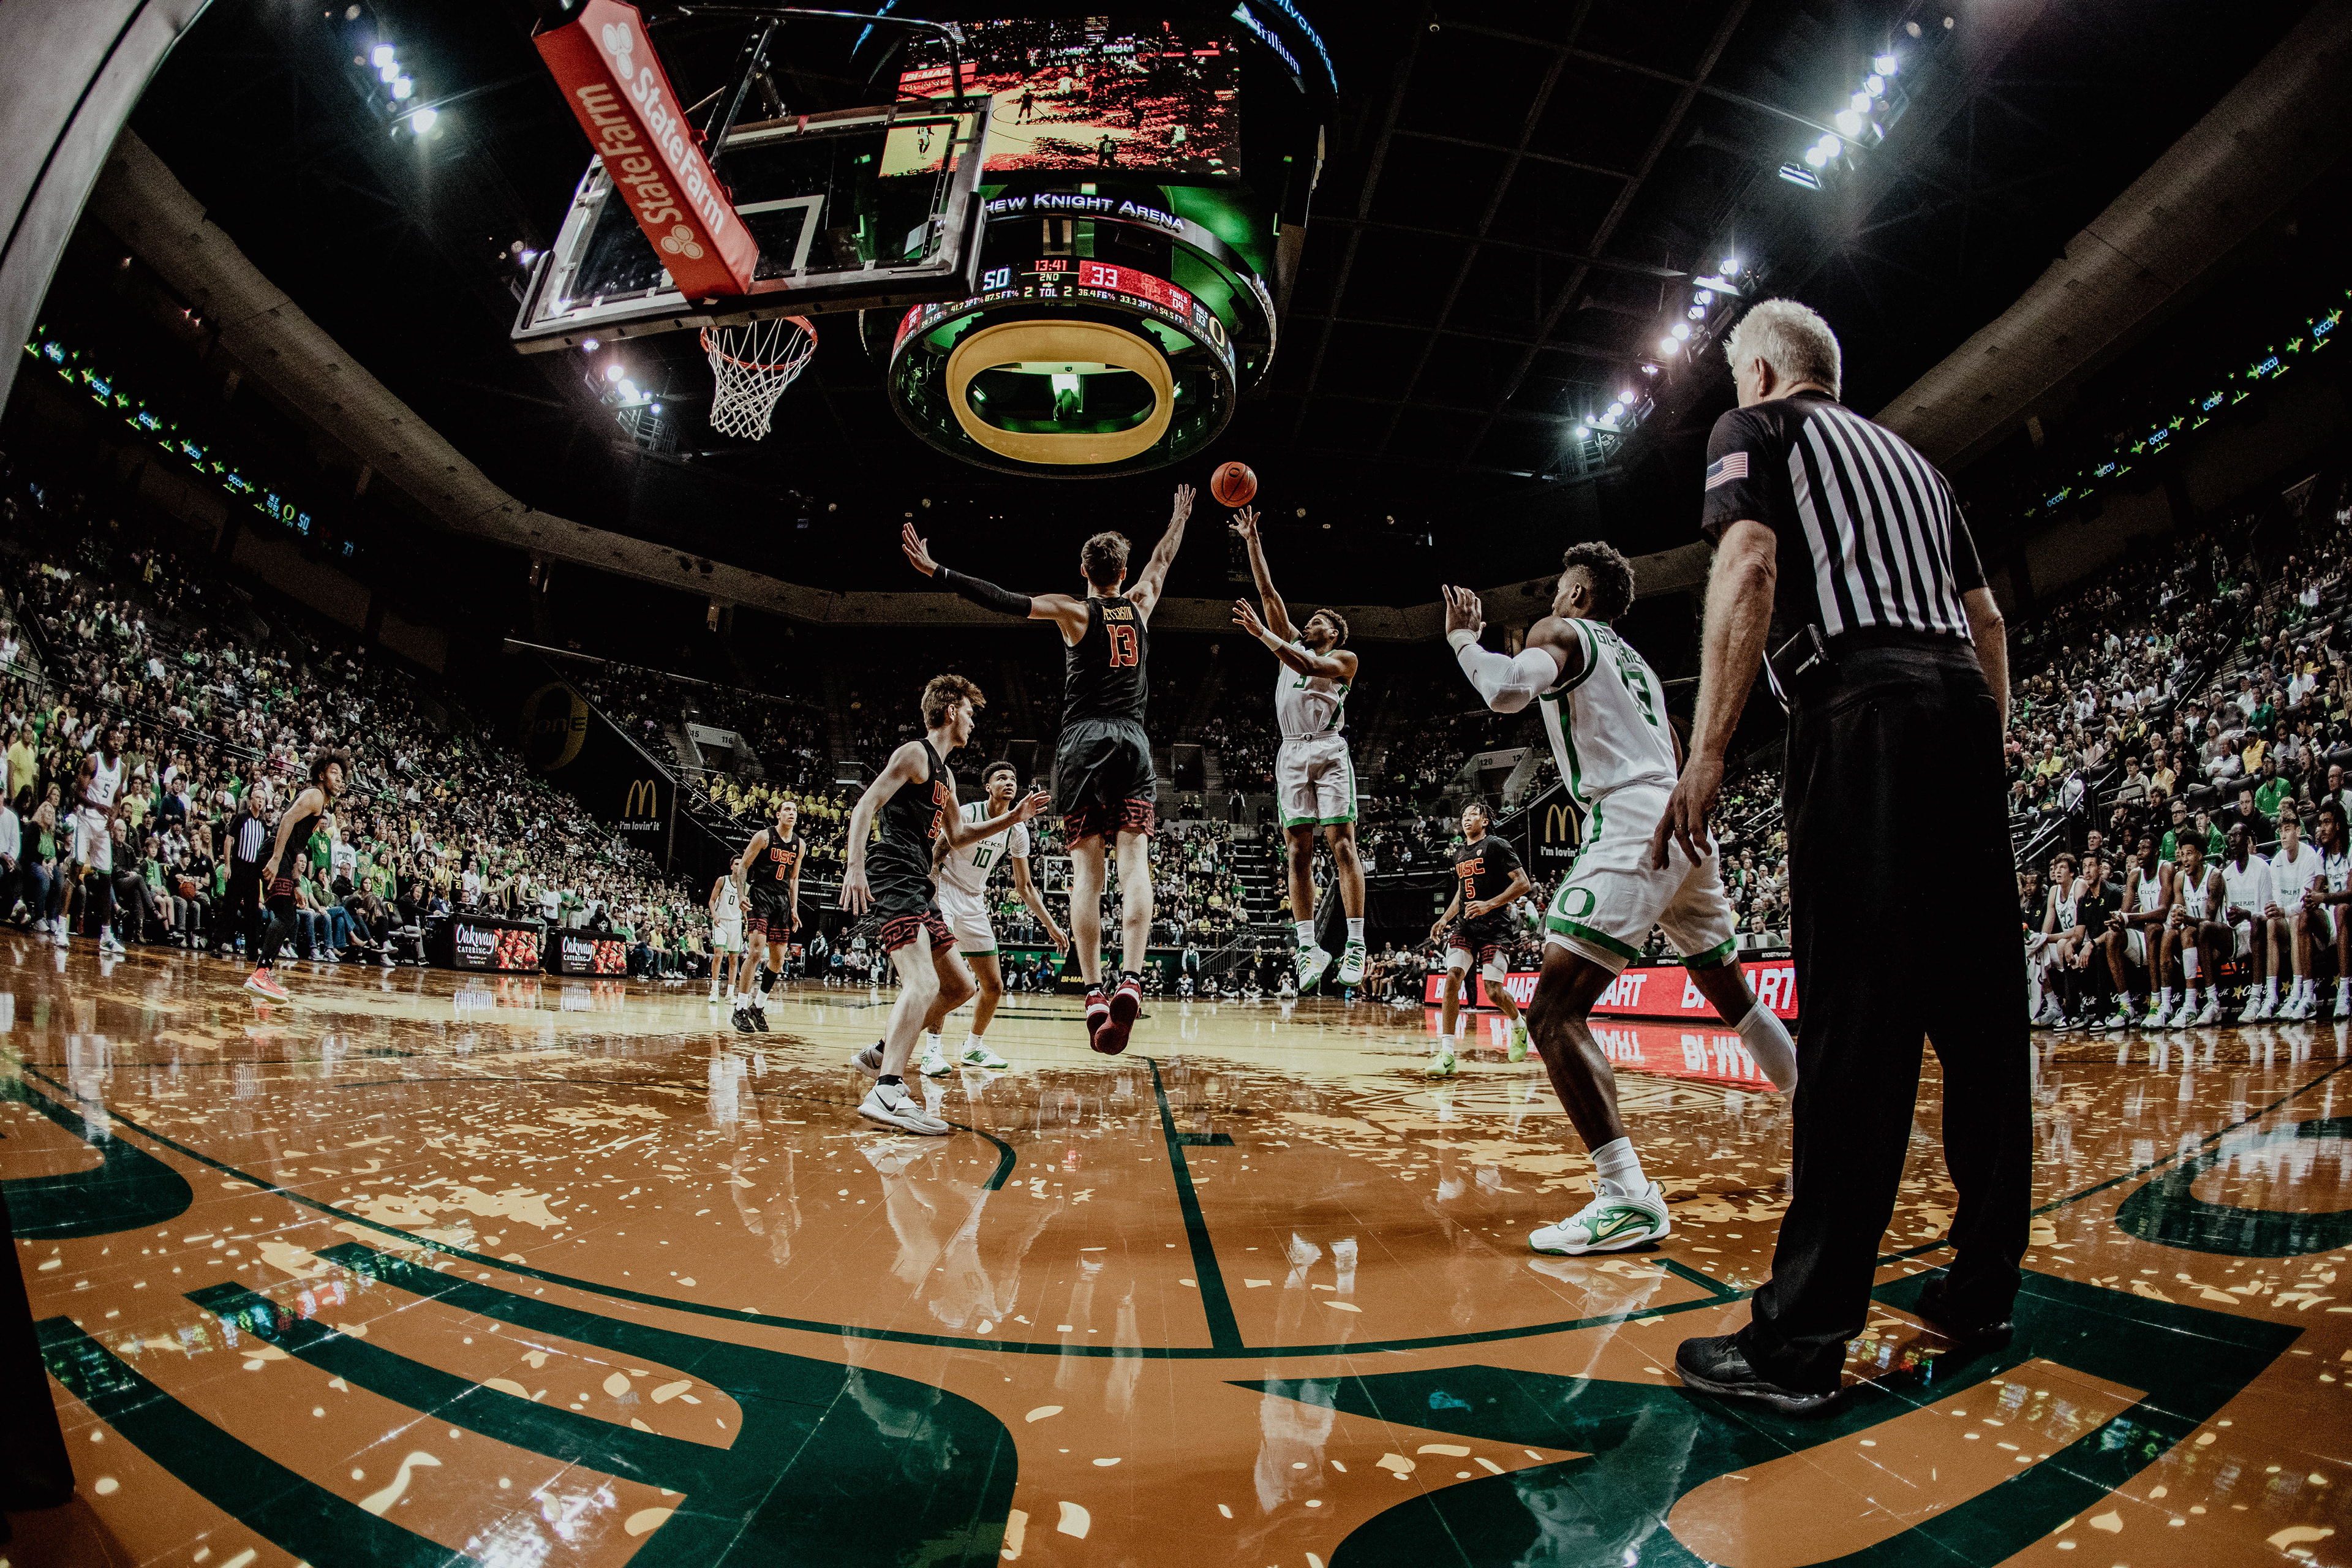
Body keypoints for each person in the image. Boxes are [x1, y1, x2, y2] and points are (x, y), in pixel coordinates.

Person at [1658, 298, 2025, 1412]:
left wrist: (1710, 747)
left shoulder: (1759, 433)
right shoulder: (1920, 468)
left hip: (1860, 708)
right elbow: (1991, 623)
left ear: (1762, 371)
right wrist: (1984, 754)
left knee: (1859, 1026)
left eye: (1733, 377)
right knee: (1980, 1018)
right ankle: (1983, 1281)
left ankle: (1801, 1342)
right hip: (1962, 707)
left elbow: (1752, 568)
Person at [1443, 548, 1798, 1252]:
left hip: (1633, 820)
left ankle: (1627, 1194)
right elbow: (1669, 745)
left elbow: (1506, 689)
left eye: (1556, 585)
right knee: (1731, 991)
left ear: (1577, 590)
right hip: (1682, 817)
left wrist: (1461, 637)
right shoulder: (1637, 666)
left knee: (1552, 1010)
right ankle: (1814, 1102)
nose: (1551, 596)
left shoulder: (1564, 632)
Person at [901, 485, 1193, 1054]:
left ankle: (1094, 990)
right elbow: (1163, 559)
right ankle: (1132, 976)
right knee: (1135, 863)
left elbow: (1002, 598)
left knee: (1088, 873)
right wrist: (1179, 517)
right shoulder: (1142, 600)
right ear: (1124, 570)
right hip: (1133, 738)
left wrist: (938, 570)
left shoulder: (1073, 610)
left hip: (1084, 742)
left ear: (1084, 569)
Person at [839, 675, 1047, 1134]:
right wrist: (855, 866)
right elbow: (865, 806)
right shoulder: (915, 754)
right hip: (894, 869)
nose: (974, 721)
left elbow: (958, 836)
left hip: (920, 881)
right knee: (922, 980)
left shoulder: (948, 775)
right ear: (952, 710)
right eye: (971, 712)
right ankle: (888, 1090)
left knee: (959, 987)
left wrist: (1013, 818)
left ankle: (881, 1051)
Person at [1229, 506, 1366, 992]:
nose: (1306, 625)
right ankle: (1308, 948)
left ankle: (1355, 944)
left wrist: (1263, 635)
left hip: (1328, 750)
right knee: (1296, 851)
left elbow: (1305, 666)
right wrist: (1252, 540)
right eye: (1304, 623)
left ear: (1334, 633)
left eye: (1316, 623)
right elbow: (1268, 592)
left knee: (1342, 843)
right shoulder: (1289, 643)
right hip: (1290, 752)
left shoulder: (1344, 659)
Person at [918, 760, 1066, 1074]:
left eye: (1013, 778)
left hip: (974, 900)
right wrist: (930, 893)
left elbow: (1024, 886)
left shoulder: (1018, 829)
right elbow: (938, 852)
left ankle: (973, 1048)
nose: (1009, 782)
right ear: (989, 787)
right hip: (945, 891)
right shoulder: (969, 813)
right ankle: (932, 1051)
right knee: (948, 980)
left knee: (994, 985)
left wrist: (1051, 925)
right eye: (1002, 777)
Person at [1426, 802, 1529, 1076]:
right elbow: (1462, 893)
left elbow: (1523, 883)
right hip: (1466, 926)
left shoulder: (1497, 845)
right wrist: (1445, 919)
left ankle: (1519, 1025)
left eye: (1473, 814)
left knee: (1493, 991)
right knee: (1453, 977)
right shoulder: (1459, 853)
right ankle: (1447, 1054)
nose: (1466, 819)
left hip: (1496, 927)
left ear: (1485, 821)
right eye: (1463, 815)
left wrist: (1489, 904)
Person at [244, 753, 346, 1003]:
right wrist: (277, 859)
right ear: (322, 774)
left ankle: (261, 973)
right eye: (334, 773)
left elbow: (297, 844)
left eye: (342, 776)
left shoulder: (321, 802)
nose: (339, 779)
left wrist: (297, 883)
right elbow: (287, 820)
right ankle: (261, 974)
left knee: (287, 916)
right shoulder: (315, 795)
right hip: (276, 853)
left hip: (284, 857)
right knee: (286, 916)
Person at [733, 799, 805, 1033]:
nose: (791, 813)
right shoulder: (764, 837)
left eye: (794, 810)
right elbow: (743, 866)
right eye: (787, 809)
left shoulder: (799, 845)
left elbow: (794, 879)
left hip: (782, 901)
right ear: (778, 815)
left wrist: (794, 908)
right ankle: (740, 1009)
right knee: (755, 951)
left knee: (778, 959)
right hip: (761, 896)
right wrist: (742, 894)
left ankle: (758, 1006)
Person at [2098, 834, 2175, 1028]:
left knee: (2152, 927)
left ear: (2157, 852)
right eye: (2139, 849)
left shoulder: (2166, 869)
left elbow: (2164, 912)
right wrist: (2118, 921)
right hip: (2148, 936)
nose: (2140, 853)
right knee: (2112, 936)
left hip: (2171, 933)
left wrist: (2129, 918)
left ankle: (2157, 1003)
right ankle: (2126, 1007)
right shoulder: (2134, 875)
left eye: (2145, 849)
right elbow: (2124, 913)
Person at [71, 721, 129, 955]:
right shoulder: (93, 761)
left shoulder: (122, 769)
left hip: (103, 826)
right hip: (86, 819)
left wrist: (113, 815)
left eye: (120, 740)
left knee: (106, 880)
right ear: (105, 742)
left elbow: (117, 798)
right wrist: (97, 806)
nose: (118, 743)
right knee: (74, 870)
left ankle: (106, 936)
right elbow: (77, 792)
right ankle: (58, 926)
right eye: (114, 740)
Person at [2166, 836, 2228, 1028]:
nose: (2185, 859)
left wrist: (2184, 920)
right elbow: (2178, 909)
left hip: (2219, 938)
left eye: (2190, 854)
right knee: (2173, 933)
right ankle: (2169, 1004)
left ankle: (2208, 1001)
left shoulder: (2214, 876)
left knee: (2198, 930)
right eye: (2182, 855)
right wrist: (2175, 917)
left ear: (2201, 855)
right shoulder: (2179, 878)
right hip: (2194, 939)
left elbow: (2209, 921)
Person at [2301, 797, 2351, 1019]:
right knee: (2305, 917)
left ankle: (2346, 991)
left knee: (2341, 908)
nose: (2321, 828)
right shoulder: (2321, 855)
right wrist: (2311, 899)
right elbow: (2318, 887)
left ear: (2338, 825)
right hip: (2335, 920)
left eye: (2327, 822)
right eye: (2319, 823)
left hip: (2350, 913)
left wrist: (2323, 897)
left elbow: (2351, 893)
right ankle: (2308, 995)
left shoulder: (2351, 849)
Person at [2217, 821, 2272, 1020]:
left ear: (2248, 840)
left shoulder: (2262, 868)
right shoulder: (2225, 874)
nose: (2232, 839)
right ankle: (2210, 1002)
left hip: (2260, 931)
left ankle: (2256, 997)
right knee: (2206, 929)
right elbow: (2227, 915)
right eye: (2230, 836)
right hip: (2237, 935)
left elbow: (2267, 914)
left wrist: (2246, 915)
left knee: (2256, 920)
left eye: (2237, 835)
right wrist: (2230, 919)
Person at [708, 864, 745, 1008]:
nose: (739, 866)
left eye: (741, 863)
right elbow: (712, 901)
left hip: (736, 924)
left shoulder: (745, 886)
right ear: (731, 866)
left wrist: (747, 922)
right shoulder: (722, 881)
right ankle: (714, 990)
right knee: (718, 955)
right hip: (721, 921)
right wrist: (714, 914)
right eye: (736, 863)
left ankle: (730, 994)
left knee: (734, 959)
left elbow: (746, 907)